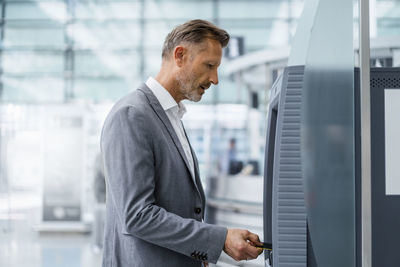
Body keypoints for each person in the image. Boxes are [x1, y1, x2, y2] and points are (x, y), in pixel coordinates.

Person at [101, 19, 262, 267]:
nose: (215, 79)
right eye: (209, 65)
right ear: (180, 55)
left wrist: (202, 248)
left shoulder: (171, 116)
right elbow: (137, 216)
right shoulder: (132, 115)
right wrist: (219, 240)